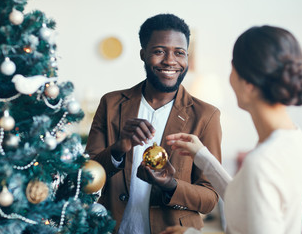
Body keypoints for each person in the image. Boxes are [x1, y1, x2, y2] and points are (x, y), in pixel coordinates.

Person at [162, 25, 302, 234]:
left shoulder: (261, 163)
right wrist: (202, 156)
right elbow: (244, 201)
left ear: (248, 84)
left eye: (232, 68)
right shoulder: (295, 139)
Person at [85, 13, 222, 234]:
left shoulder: (206, 116)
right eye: (159, 51)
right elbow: (86, 175)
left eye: (180, 53)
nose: (170, 61)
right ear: (143, 54)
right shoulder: (111, 103)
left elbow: (210, 197)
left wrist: (170, 185)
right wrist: (118, 149)